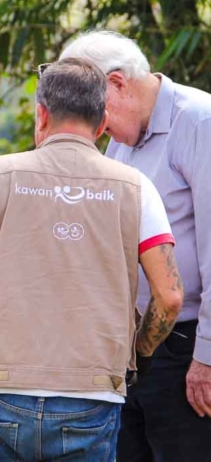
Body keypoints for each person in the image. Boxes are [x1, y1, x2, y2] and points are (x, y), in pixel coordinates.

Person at [0, 59, 184, 461]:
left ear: (42, 114)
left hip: (1, 387)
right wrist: (140, 352)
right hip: (93, 392)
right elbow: (170, 297)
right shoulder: (136, 188)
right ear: (102, 122)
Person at [61, 30, 211, 460]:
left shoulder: (199, 121)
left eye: (93, 106)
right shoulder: (121, 141)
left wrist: (207, 358)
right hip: (131, 350)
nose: (94, 124)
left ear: (118, 83)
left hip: (188, 347)